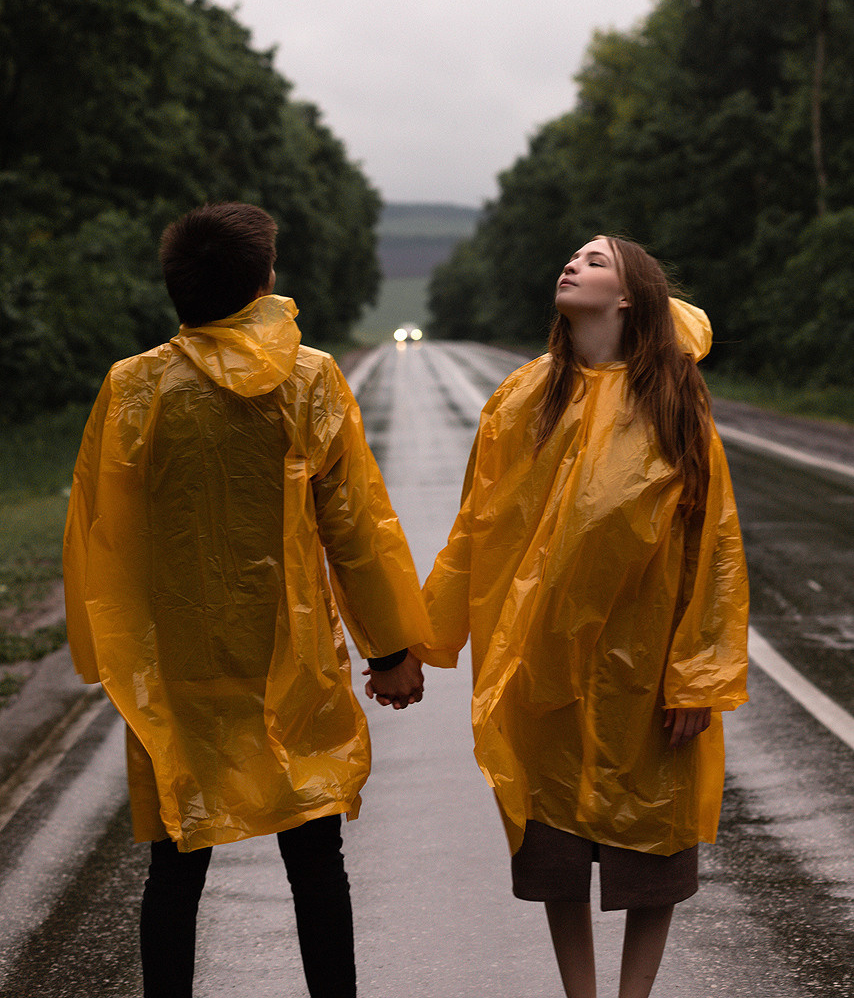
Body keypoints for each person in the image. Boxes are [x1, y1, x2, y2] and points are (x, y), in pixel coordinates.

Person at [63, 201, 430, 998]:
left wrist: (110, 658)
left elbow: (99, 530)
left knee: (177, 860)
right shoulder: (309, 380)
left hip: (179, 671)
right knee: (315, 859)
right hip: (290, 666)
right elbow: (355, 528)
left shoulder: (132, 386)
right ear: (263, 284)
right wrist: (390, 650)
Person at [405, 235, 749, 998]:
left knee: (652, 852)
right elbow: (477, 524)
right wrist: (418, 641)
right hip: (540, 664)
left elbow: (711, 538)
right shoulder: (523, 396)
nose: (573, 265)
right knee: (556, 850)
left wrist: (698, 672)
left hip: (645, 661)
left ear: (629, 297)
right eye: (572, 257)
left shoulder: (673, 399)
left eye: (596, 261)